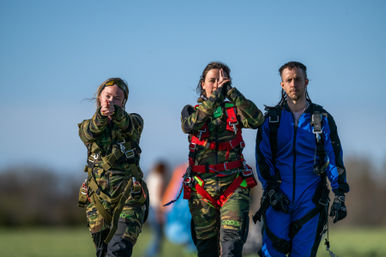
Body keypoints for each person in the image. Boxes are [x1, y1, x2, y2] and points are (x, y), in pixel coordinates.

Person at [255, 61, 350, 257]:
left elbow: (334, 158)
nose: (293, 84)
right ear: (282, 85)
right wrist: (271, 189)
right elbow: (263, 159)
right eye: (288, 80)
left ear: (306, 82)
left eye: (297, 79)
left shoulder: (322, 119)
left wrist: (339, 195)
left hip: (311, 200)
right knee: (271, 254)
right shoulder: (271, 120)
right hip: (277, 198)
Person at [180, 62, 264, 257]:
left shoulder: (234, 109)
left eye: (222, 80)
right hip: (202, 188)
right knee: (206, 250)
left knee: (231, 248)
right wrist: (217, 95)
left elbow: (257, 119)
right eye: (212, 80)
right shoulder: (190, 111)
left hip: (233, 185)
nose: (217, 84)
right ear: (203, 84)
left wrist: (232, 93)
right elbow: (190, 126)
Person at [78, 78, 148, 257]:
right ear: (100, 98)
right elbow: (90, 131)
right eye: (107, 96)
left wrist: (115, 113)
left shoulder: (134, 121)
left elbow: (128, 125)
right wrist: (102, 116)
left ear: (123, 102)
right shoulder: (87, 125)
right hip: (97, 199)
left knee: (118, 251)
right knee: (102, 252)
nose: (111, 101)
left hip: (129, 196)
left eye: (117, 98)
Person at [145, 161, 168, 257]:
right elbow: (159, 196)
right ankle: (150, 254)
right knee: (158, 235)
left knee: (156, 234)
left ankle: (152, 254)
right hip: (156, 209)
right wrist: (160, 212)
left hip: (149, 206)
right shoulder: (159, 178)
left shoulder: (151, 176)